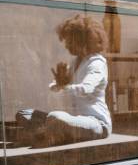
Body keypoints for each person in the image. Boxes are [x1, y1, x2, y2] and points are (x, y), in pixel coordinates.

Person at [15, 14, 112, 147]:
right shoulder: (76, 61)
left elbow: (86, 89)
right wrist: (58, 84)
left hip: (96, 123)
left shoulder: (96, 63)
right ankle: (55, 132)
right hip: (73, 119)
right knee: (24, 114)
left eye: (69, 41)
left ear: (81, 40)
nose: (66, 45)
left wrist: (63, 87)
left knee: (56, 117)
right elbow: (60, 87)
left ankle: (51, 132)